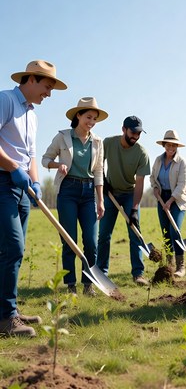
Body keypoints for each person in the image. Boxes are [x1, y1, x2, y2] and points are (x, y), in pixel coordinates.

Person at [0, 60, 67, 337]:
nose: (48, 94)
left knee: (15, 250)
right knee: (12, 247)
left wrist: (37, 181)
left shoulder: (32, 114)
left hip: (23, 188)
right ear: (30, 80)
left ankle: (10, 310)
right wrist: (12, 168)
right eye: (47, 87)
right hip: (3, 182)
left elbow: (30, 155)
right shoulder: (6, 101)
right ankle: (5, 319)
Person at [42, 97, 107, 296]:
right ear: (78, 116)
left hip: (89, 193)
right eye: (88, 117)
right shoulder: (62, 137)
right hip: (68, 191)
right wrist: (57, 165)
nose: (91, 122)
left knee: (91, 241)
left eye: (94, 119)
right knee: (69, 240)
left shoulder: (97, 142)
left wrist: (100, 200)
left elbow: (98, 172)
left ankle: (88, 284)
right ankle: (71, 285)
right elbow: (45, 159)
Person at [97, 116, 150, 286]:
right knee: (104, 234)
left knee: (134, 232)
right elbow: (97, 162)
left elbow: (140, 183)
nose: (136, 136)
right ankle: (101, 272)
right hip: (110, 192)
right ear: (124, 129)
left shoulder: (141, 153)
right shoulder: (109, 143)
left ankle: (138, 273)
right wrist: (102, 180)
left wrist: (134, 208)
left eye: (139, 133)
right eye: (133, 132)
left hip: (129, 194)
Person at [150, 130, 186, 277]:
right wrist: (155, 188)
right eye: (168, 145)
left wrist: (171, 200)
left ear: (177, 147)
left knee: (175, 230)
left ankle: (181, 266)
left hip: (178, 199)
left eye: (174, 146)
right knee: (166, 232)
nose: (171, 148)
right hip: (162, 197)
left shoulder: (182, 162)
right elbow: (152, 177)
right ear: (164, 145)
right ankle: (169, 264)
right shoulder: (158, 160)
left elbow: (182, 184)